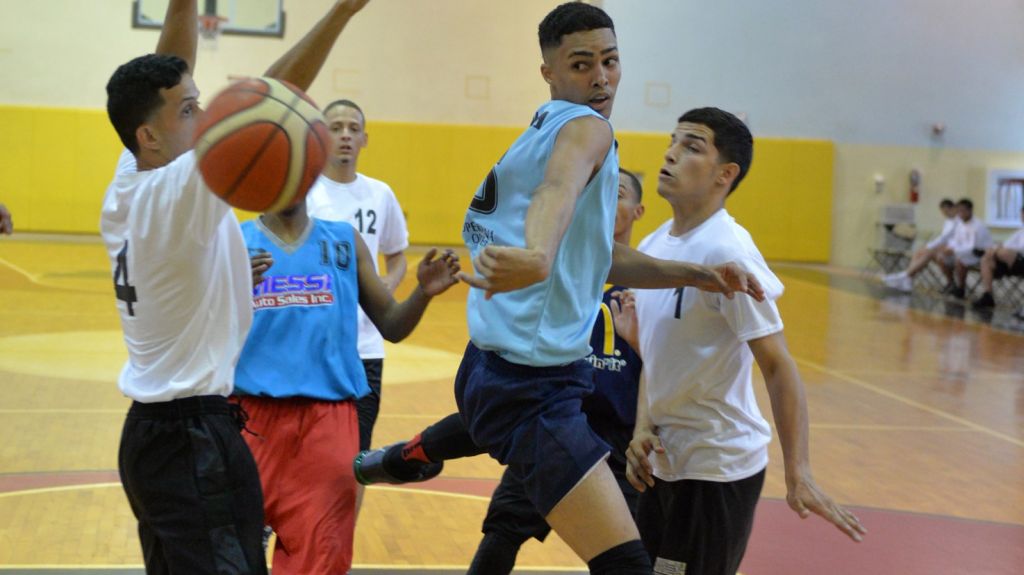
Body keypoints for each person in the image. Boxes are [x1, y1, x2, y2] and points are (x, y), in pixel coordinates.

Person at [452, 4, 764, 573]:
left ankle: (408, 454)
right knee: (624, 565)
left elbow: (602, 256)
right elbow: (558, 190)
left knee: (515, 527)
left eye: (610, 61)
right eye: (581, 64)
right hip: (531, 389)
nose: (600, 78)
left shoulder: (539, 127)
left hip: (490, 369)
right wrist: (539, 256)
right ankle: (410, 452)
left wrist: (701, 276)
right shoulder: (587, 128)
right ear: (548, 70)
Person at [100, 0, 370, 572]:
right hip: (192, 436)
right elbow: (269, 102)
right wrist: (341, 14)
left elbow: (170, 62)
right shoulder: (176, 190)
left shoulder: (129, 180)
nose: (205, 120)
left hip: (154, 435)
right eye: (191, 110)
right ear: (150, 135)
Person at [355, 167, 648, 573]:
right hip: (548, 421)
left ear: (638, 211)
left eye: (618, 194)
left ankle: (409, 453)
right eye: (597, 192)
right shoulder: (554, 270)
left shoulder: (647, 292)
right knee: (502, 530)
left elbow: (666, 372)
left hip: (615, 443)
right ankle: (408, 453)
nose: (605, 200)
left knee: (635, 558)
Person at [625, 108, 867, 575]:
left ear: (725, 174)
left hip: (716, 469)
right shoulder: (655, 246)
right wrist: (642, 428)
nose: (671, 153)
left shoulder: (727, 252)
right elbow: (655, 360)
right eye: (673, 141)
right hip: (664, 465)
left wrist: (799, 473)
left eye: (692, 146)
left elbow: (778, 365)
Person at [232, 201, 458, 575]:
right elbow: (201, 333)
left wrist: (422, 293)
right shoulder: (235, 242)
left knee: (322, 560)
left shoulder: (344, 241)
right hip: (248, 419)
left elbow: (391, 324)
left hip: (329, 421)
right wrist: (229, 289)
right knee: (231, 558)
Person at [306, 98, 410, 463]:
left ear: (365, 139)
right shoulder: (304, 195)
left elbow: (398, 255)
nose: (345, 136)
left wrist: (383, 288)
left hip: (366, 347)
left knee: (356, 456)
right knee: (312, 454)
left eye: (353, 129)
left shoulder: (379, 194)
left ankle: (345, 523)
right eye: (336, 128)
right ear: (320, 136)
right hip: (315, 347)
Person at [881, 198, 957, 292]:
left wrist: (930, 246)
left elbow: (945, 238)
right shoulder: (948, 221)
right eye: (943, 212)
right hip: (945, 250)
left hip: (954, 252)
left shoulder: (958, 221)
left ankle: (905, 276)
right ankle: (907, 279)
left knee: (928, 251)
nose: (945, 214)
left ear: (953, 208)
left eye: (947, 211)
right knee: (921, 252)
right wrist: (931, 246)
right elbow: (944, 239)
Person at [972, 206, 1024, 309]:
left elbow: (1020, 248)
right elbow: (1006, 244)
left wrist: (997, 249)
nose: (1023, 216)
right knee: (985, 260)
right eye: (1022, 214)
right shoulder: (1020, 231)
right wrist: (996, 248)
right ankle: (988, 295)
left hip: (1021, 262)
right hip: (1010, 263)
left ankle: (986, 252)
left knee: (1003, 252)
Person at [946, 198, 993, 299]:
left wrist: (954, 250)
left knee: (959, 260)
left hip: (980, 253)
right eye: (958, 211)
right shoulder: (960, 224)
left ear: (970, 210)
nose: (960, 214)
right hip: (967, 252)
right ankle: (954, 285)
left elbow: (972, 247)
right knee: (941, 256)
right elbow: (956, 240)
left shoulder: (978, 225)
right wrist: (950, 247)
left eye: (962, 211)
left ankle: (961, 288)